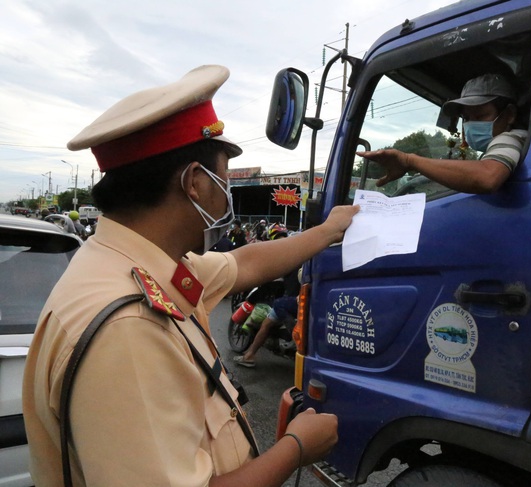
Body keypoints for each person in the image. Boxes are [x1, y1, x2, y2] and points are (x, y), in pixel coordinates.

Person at [22, 65, 359, 487]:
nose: (226, 197)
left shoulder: (136, 264)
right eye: (223, 179)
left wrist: (328, 231)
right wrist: (296, 447)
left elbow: (248, 263)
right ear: (196, 183)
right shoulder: (130, 327)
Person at [356, 73, 528, 194]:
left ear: (509, 115)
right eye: (466, 118)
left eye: (481, 115)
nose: (471, 124)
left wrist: (410, 160)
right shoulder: (499, 147)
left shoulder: (511, 138)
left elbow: (487, 177)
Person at [233, 224, 298, 368]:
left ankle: (249, 356)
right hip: (300, 295)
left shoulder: (278, 251)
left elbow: (266, 271)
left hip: (292, 299)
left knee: (266, 323)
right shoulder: (295, 250)